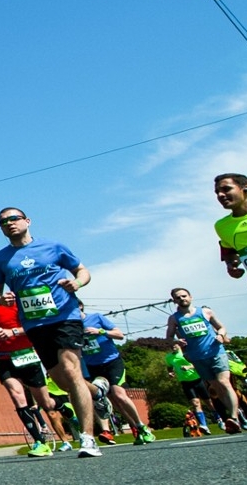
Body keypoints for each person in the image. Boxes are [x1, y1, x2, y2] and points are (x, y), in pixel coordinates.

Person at [0, 208, 101, 457]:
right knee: (63, 381)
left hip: (64, 316)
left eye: (14, 219)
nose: (9, 224)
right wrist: (0, 299)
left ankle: (88, 438)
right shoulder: (0, 259)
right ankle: (98, 392)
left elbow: (83, 271)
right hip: (35, 325)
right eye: (3, 222)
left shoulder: (53, 246)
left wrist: (77, 283)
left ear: (27, 221)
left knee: (71, 370)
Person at [0, 279, 56, 457]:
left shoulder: (13, 305)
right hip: (4, 358)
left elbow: (34, 328)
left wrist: (13, 332)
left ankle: (64, 407)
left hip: (26, 355)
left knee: (46, 403)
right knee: (17, 396)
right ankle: (39, 442)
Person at [165, 288, 242, 433]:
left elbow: (221, 327)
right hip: (197, 357)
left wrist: (220, 335)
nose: (182, 299)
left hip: (215, 352)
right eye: (178, 297)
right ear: (174, 301)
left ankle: (233, 417)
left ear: (190, 297)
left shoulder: (205, 312)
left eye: (184, 296)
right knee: (217, 388)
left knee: (224, 382)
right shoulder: (174, 318)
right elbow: (168, 338)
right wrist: (176, 340)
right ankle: (234, 418)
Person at [80, 308, 155, 445]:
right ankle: (110, 431)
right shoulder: (69, 326)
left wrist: (100, 331)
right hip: (93, 367)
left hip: (112, 362)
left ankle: (142, 426)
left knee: (119, 394)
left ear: (79, 307)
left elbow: (120, 335)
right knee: (104, 399)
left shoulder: (96, 317)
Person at [213, 173, 247, 278]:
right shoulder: (222, 226)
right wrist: (232, 265)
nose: (220, 195)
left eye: (226, 189)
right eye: (217, 192)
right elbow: (229, 251)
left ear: (245, 188)